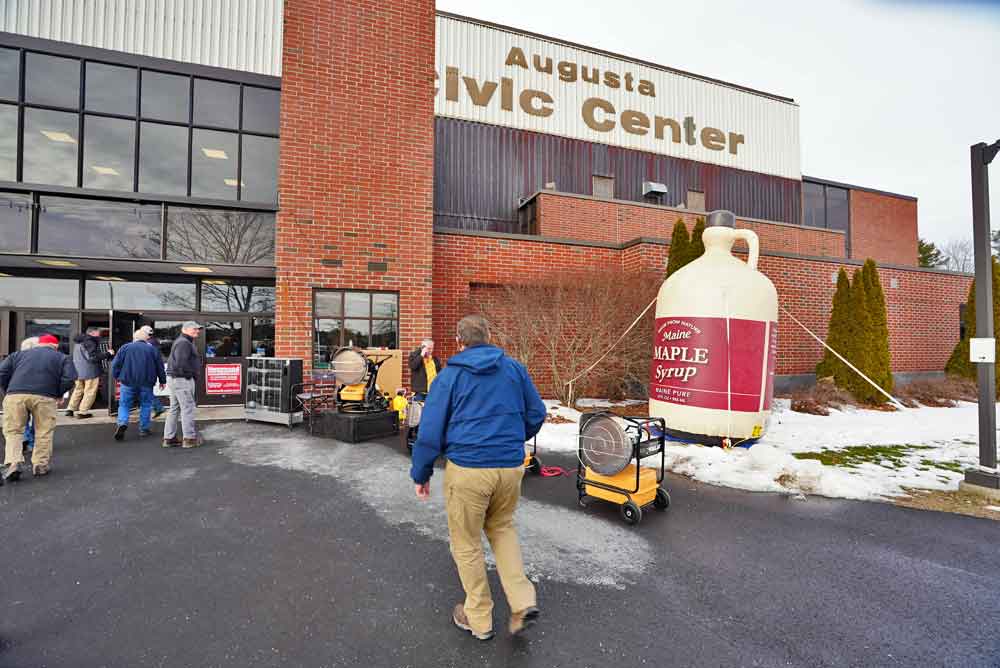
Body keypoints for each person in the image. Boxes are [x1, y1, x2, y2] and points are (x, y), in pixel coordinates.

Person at [410, 315, 547, 641]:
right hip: (510, 468)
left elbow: (430, 431)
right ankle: (522, 602)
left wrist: (422, 472)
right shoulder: (514, 369)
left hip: (469, 471)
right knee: (502, 528)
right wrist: (512, 439)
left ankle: (479, 618)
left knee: (467, 543)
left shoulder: (450, 376)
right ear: (488, 337)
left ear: (459, 341)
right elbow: (536, 413)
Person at [1, 333, 77, 482]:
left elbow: (2, 372)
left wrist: (8, 390)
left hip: (15, 395)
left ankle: (14, 463)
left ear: (39, 344)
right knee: (44, 430)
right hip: (45, 397)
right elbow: (70, 378)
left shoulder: (17, 355)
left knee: (13, 431)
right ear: (55, 346)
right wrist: (58, 393)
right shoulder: (62, 357)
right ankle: (40, 465)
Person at [111, 329, 167, 441]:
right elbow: (159, 366)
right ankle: (144, 429)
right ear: (146, 338)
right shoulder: (152, 349)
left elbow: (115, 364)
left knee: (124, 405)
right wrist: (162, 380)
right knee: (145, 405)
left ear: (134, 338)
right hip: (146, 382)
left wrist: (117, 376)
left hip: (127, 382)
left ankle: (122, 422)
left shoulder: (125, 348)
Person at [164, 321, 203, 449]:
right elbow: (180, 363)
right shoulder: (184, 343)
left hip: (176, 379)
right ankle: (189, 439)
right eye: (195, 329)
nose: (197, 331)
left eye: (198, 329)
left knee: (174, 408)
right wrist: (189, 374)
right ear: (185, 329)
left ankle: (169, 438)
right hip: (181, 379)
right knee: (188, 408)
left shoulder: (183, 341)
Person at [67, 326, 114, 419]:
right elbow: (93, 358)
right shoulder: (90, 341)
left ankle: (70, 409)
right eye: (98, 332)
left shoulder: (78, 342)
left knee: (78, 390)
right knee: (90, 391)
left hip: (78, 371)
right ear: (92, 333)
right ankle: (83, 412)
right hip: (90, 371)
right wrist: (108, 353)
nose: (99, 334)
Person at [18, 337, 39, 457]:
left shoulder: (15, 358)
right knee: (38, 420)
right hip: (39, 394)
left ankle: (25, 437)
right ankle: (32, 443)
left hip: (18, 393)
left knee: (22, 419)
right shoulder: (43, 360)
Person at [140, 325, 166, 419]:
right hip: (150, 373)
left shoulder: (149, 344)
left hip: (147, 372)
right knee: (147, 392)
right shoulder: (153, 343)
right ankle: (158, 407)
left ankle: (158, 407)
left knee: (145, 391)